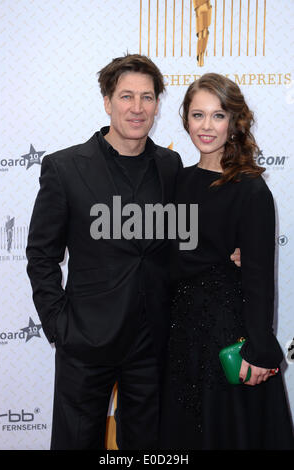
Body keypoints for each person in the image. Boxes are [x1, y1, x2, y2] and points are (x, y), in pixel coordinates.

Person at [26, 54, 240, 450]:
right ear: (108, 101)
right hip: (86, 340)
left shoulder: (170, 165)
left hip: (153, 341)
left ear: (158, 104)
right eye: (126, 96)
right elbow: (41, 254)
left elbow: (184, 236)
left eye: (147, 97)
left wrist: (229, 248)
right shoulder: (65, 168)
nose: (137, 108)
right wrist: (59, 325)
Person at [159, 73, 294, 450]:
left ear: (234, 122)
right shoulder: (175, 181)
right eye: (198, 115)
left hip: (227, 332)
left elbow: (260, 279)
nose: (206, 126)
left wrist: (260, 349)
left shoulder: (251, 189)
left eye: (218, 116)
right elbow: (164, 257)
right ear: (185, 119)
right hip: (178, 333)